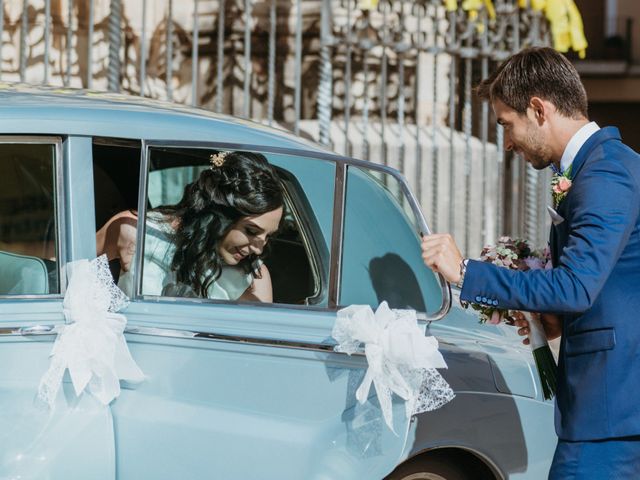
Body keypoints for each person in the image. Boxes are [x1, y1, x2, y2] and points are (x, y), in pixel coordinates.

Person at [421, 47, 640, 478]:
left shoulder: (604, 173)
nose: (506, 143)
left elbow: (576, 287)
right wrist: (555, 318)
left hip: (612, 411)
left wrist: (466, 273)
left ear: (538, 109)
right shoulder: (604, 166)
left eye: (507, 124)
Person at [96, 150, 284, 303]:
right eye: (251, 231)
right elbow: (70, 280)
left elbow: (252, 345)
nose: (259, 250)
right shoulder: (135, 232)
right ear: (218, 215)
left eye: (268, 236)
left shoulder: (254, 279)